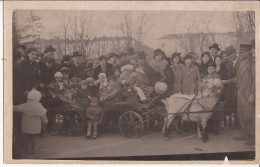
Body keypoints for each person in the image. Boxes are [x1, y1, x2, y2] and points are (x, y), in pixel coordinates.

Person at [223, 44, 255, 145]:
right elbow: (238, 78)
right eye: (239, 52)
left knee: (249, 116)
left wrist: (252, 95)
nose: (240, 54)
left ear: (248, 52)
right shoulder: (242, 62)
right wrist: (226, 81)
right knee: (241, 114)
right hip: (240, 93)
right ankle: (246, 133)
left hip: (248, 94)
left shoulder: (253, 63)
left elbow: (256, 81)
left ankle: (254, 136)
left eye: (242, 53)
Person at [13, 90, 48, 154]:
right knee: (33, 140)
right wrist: (45, 123)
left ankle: (26, 149)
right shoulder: (39, 107)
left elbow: (15, 108)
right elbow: (44, 117)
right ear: (39, 98)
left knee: (26, 139)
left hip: (25, 127)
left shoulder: (25, 105)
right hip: (35, 128)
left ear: (28, 97)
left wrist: (11, 105)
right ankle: (32, 149)